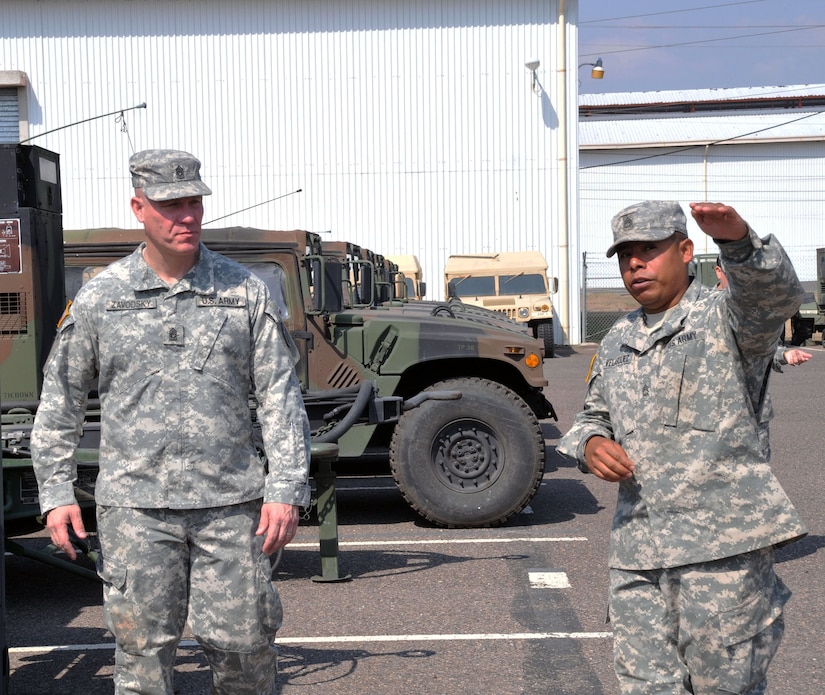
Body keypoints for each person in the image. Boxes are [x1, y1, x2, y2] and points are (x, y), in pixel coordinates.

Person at [31, 149, 311, 694]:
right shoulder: (102, 297)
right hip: (136, 511)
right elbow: (60, 400)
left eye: (193, 202)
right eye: (169, 205)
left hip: (231, 508)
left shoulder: (242, 292)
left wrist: (286, 487)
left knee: (245, 653)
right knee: (141, 658)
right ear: (139, 207)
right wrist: (55, 490)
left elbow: (280, 396)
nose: (186, 216)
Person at [558, 200, 807, 694]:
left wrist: (738, 243)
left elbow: (773, 299)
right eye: (625, 254)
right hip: (638, 557)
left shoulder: (726, 319)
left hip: (722, 557)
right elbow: (593, 414)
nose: (634, 264)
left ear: (686, 250)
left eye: (649, 249)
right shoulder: (618, 338)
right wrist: (590, 443)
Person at [716, 256, 813, 370]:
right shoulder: (701, 307)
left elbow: (765, 349)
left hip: (744, 385)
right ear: (719, 271)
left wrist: (784, 355)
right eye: (732, 273)